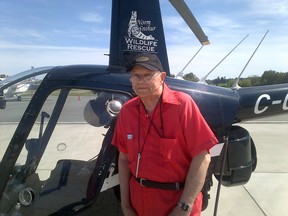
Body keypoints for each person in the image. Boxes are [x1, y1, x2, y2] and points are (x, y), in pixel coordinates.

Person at [112, 53, 218, 216]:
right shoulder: (127, 111)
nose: (141, 81)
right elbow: (123, 158)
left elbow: (203, 157)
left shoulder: (183, 104)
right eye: (136, 75)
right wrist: (126, 206)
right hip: (139, 204)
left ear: (162, 77)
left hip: (177, 203)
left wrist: (183, 208)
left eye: (147, 75)